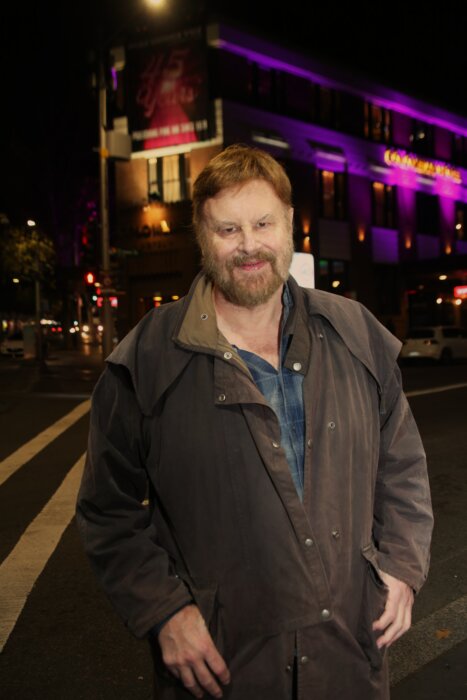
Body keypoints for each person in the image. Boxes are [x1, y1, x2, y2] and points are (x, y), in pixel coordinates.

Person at [76, 144, 433, 700]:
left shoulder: (355, 332)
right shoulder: (146, 358)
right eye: (228, 229)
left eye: (263, 222)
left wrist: (404, 565)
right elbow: (107, 509)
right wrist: (163, 610)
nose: (248, 246)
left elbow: (402, 463)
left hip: (350, 658)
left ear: (290, 223)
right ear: (201, 235)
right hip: (227, 667)